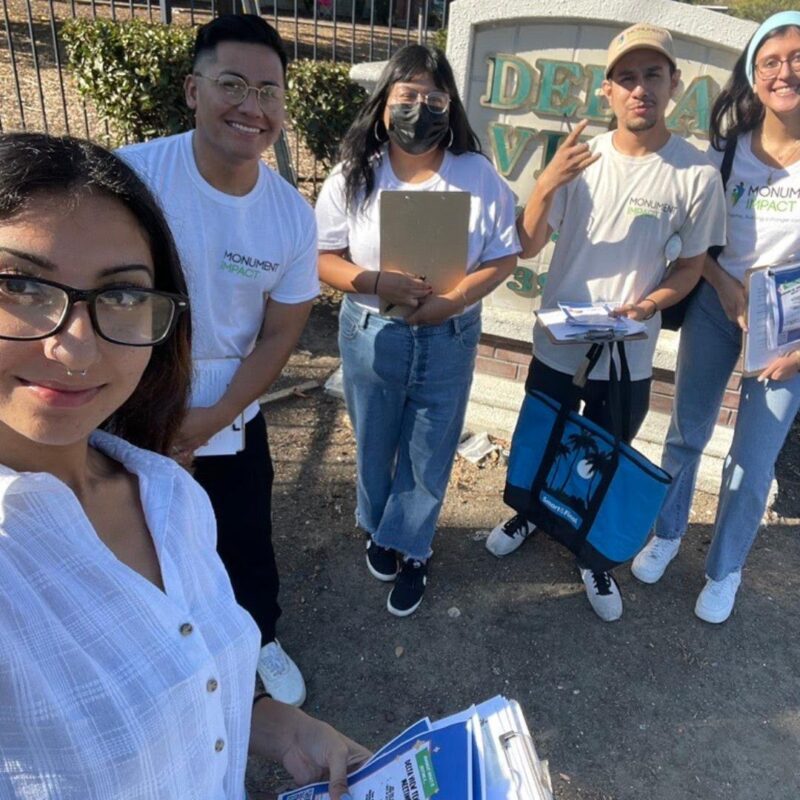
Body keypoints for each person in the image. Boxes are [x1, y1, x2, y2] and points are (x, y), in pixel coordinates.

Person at [0, 131, 369, 799]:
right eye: (21, 286)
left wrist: (278, 728)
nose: (76, 349)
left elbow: (183, 677)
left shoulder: (168, 494)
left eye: (119, 296)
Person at [485, 23, 727, 622]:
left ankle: (591, 556)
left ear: (673, 84)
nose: (639, 88)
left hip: (629, 351)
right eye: (626, 78)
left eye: (652, 75)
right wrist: (545, 182)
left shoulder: (694, 174)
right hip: (561, 342)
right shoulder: (579, 159)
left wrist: (650, 305)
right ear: (608, 92)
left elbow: (692, 263)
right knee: (545, 436)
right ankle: (531, 515)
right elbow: (529, 240)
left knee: (606, 451)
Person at [119, 14, 316, 705]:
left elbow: (279, 334)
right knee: (132, 538)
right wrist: (156, 418)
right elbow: (107, 300)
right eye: (232, 84)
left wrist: (208, 420)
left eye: (268, 91)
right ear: (192, 90)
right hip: (129, 395)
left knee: (244, 540)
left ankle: (260, 639)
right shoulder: (133, 176)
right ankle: (153, 652)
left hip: (232, 403)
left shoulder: (291, 214)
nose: (250, 106)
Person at [315, 44, 520, 617]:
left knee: (429, 455)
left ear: (450, 107)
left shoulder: (475, 174)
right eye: (407, 96)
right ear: (383, 104)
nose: (420, 109)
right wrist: (373, 280)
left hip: (447, 338)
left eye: (435, 98)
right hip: (371, 330)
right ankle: (381, 528)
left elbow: (504, 256)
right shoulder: (356, 172)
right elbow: (322, 255)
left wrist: (453, 299)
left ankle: (413, 548)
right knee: (375, 443)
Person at [632, 12, 800, 623]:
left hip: (790, 332)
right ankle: (667, 532)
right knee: (686, 433)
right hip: (713, 303)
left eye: (798, 58)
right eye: (772, 61)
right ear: (754, 77)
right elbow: (695, 243)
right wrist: (727, 291)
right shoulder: (725, 154)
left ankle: (725, 568)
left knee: (752, 461)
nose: (786, 71)